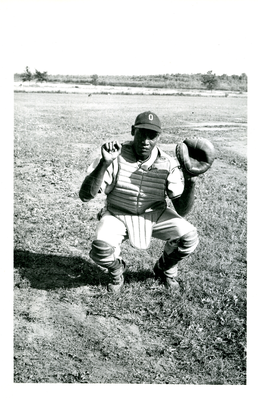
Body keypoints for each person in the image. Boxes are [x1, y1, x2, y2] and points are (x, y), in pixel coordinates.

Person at [79, 111, 199, 293]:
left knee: (188, 237)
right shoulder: (115, 156)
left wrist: (190, 180)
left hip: (154, 214)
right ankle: (117, 269)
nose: (145, 141)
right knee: (100, 250)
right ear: (133, 131)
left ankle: (165, 268)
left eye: (152, 136)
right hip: (117, 213)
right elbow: (85, 196)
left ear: (158, 137)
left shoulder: (167, 163)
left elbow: (181, 210)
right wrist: (104, 163)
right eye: (142, 133)